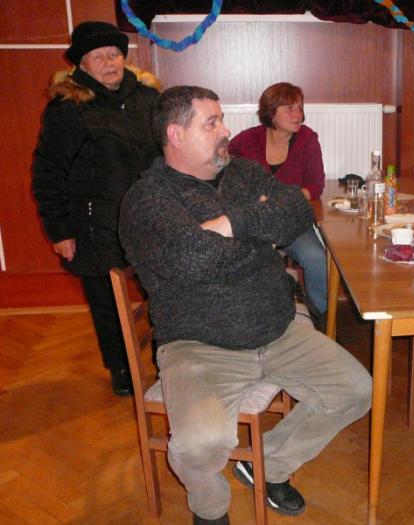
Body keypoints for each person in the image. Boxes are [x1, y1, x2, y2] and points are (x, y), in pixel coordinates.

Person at [119, 85, 372, 525]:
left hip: (278, 328)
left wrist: (231, 222)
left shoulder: (241, 171)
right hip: (199, 345)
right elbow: (193, 259)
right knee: (199, 445)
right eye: (212, 122)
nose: (225, 130)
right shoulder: (147, 201)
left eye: (221, 119)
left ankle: (268, 465)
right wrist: (260, 237)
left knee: (356, 391)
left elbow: (297, 209)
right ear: (176, 134)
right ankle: (210, 509)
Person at [32, 21, 160, 396]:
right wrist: (60, 231)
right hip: (94, 223)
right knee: (106, 300)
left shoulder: (147, 99)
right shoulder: (67, 109)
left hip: (149, 217)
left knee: (164, 291)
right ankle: (120, 366)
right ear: (82, 65)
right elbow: (48, 172)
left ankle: (168, 359)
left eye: (114, 54)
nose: (109, 62)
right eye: (98, 57)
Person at [228, 82, 328, 325]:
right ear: (271, 113)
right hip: (254, 224)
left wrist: (282, 201)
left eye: (300, 108)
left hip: (292, 221)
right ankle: (249, 318)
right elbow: (223, 169)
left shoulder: (307, 139)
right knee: (242, 261)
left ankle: (320, 316)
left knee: (316, 258)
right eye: (289, 109)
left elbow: (316, 185)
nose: (298, 114)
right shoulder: (247, 140)